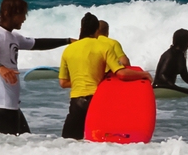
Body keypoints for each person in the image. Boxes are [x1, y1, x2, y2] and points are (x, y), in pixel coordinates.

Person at [0, 0, 73, 135]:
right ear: (8, 13)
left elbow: (38, 44)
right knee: (12, 146)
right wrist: (0, 67)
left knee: (24, 141)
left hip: (10, 104)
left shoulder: (14, 36)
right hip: (2, 104)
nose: (24, 18)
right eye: (22, 14)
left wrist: (68, 40)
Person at [58, 12, 150, 140]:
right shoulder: (104, 47)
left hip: (76, 103)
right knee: (102, 141)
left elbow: (63, 83)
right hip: (98, 100)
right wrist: (144, 74)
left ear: (81, 29)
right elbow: (122, 73)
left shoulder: (69, 49)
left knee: (70, 142)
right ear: (97, 31)